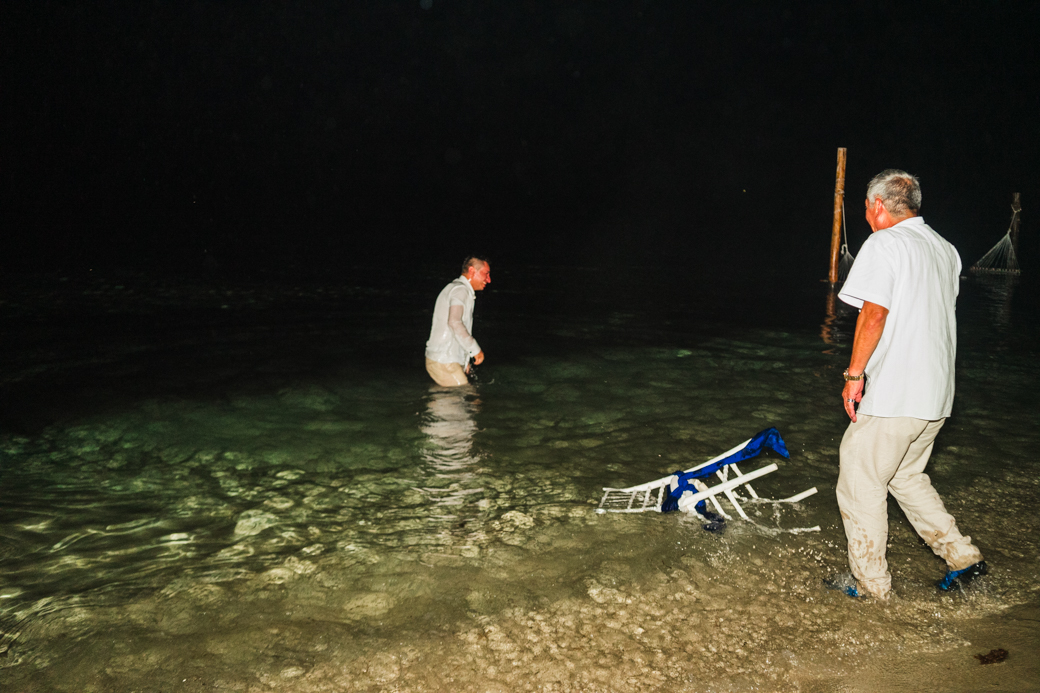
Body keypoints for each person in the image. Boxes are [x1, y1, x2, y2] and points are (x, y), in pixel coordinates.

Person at [834, 169, 986, 600]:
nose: (866, 216)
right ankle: (963, 558)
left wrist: (854, 375)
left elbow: (874, 313)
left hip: (897, 392)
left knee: (859, 479)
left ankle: (870, 586)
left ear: (878, 205)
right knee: (906, 476)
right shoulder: (945, 248)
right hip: (936, 395)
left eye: (866, 207)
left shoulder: (885, 243)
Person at [424, 256, 490, 387]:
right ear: (472, 271)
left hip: (444, 360)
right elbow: (455, 322)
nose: (488, 279)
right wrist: (475, 349)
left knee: (461, 400)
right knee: (465, 396)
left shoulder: (458, 289)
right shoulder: (460, 290)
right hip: (443, 360)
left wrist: (465, 362)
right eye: (486, 273)